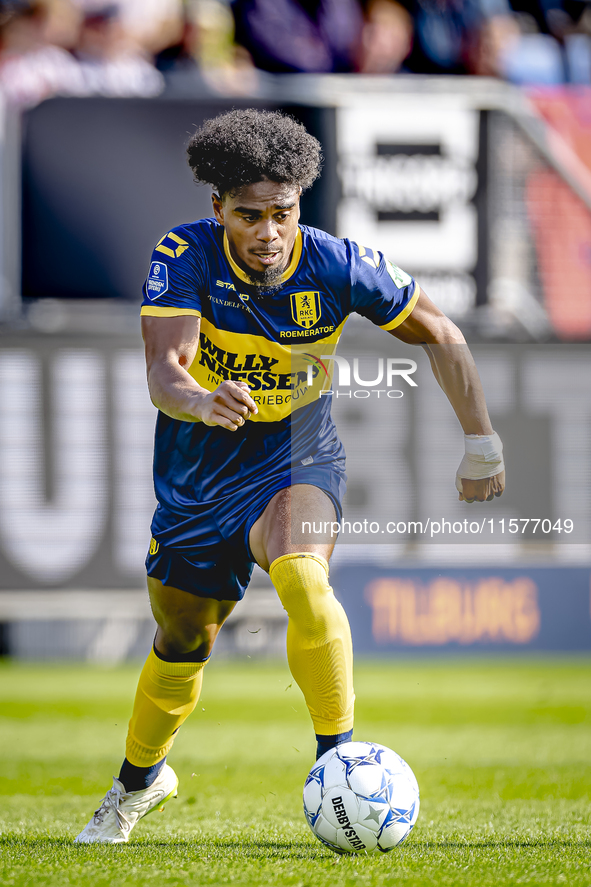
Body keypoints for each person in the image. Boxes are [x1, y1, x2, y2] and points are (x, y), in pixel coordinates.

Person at [75, 108, 505, 844]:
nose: (269, 232)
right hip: (198, 473)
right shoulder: (184, 254)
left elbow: (440, 332)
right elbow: (161, 371)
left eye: (283, 213)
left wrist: (482, 442)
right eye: (250, 216)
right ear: (218, 209)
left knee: (303, 574)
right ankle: (137, 783)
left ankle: (335, 761)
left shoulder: (338, 264)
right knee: (182, 637)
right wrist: (200, 400)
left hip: (295, 457)